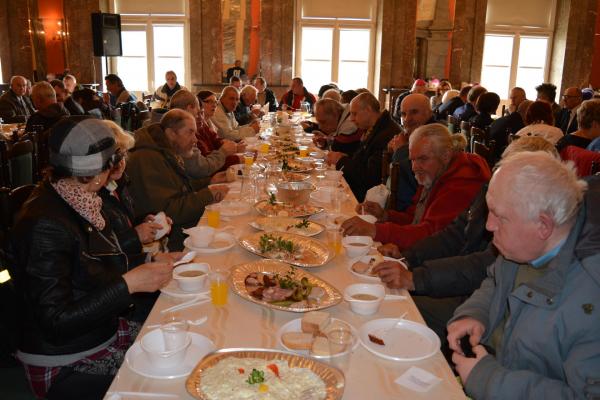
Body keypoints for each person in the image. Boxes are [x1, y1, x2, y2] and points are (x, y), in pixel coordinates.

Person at [7, 117, 177, 399]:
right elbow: (56, 321)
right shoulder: (44, 223)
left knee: (173, 333)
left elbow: (91, 265)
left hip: (101, 331)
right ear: (101, 170)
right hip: (66, 360)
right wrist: (128, 285)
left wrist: (147, 265)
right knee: (167, 384)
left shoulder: (76, 197)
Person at [373, 136, 559, 358]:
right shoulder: (490, 190)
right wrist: (407, 257)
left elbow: (482, 266)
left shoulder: (535, 234)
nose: (490, 225)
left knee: (396, 307)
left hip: (467, 291)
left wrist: (416, 278)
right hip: (469, 292)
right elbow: (453, 235)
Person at [447, 151, 599, 399]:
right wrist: (474, 314)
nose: (488, 225)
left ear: (543, 226)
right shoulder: (522, 249)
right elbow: (495, 282)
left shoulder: (591, 303)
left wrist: (488, 380)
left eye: (500, 217)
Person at [342, 123, 490, 250]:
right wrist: (385, 215)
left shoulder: (461, 184)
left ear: (446, 155)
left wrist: (375, 230)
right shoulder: (434, 172)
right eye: (412, 160)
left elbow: (429, 236)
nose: (414, 167)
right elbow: (414, 218)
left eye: (423, 159)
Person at [126, 109, 229, 250]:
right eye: (190, 132)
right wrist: (208, 194)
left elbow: (178, 187)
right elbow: (167, 211)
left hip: (180, 230)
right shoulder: (147, 158)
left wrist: (209, 182)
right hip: (171, 240)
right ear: (171, 133)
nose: (195, 139)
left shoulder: (163, 149)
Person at [325, 92, 401, 202]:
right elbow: (362, 160)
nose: (351, 119)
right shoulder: (375, 127)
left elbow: (368, 178)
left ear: (368, 110)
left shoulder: (386, 135)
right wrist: (344, 156)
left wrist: (341, 160)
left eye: (354, 114)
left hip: (368, 199)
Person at [169, 89, 237, 178]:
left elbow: (187, 180)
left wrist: (209, 181)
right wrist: (223, 153)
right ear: (189, 108)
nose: (200, 117)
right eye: (198, 112)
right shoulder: (179, 132)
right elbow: (199, 168)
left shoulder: (175, 126)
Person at [388, 93, 436, 211]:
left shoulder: (434, 135)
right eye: (403, 114)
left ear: (429, 113)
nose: (407, 119)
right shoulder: (412, 135)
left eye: (414, 112)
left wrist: (400, 150)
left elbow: (416, 178)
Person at [196, 90, 244, 170]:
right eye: (209, 101)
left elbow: (218, 141)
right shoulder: (198, 126)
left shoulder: (206, 123)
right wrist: (236, 157)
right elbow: (207, 160)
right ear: (199, 103)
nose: (214, 105)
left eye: (215, 102)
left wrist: (234, 146)